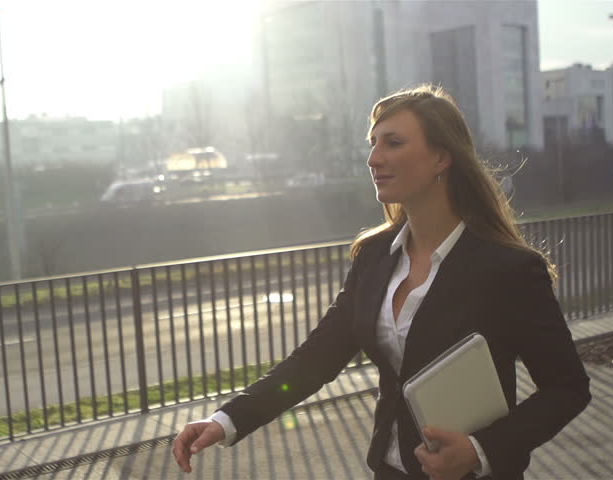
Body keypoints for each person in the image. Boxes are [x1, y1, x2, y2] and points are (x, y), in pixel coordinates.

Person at [173, 84, 591, 480]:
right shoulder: (374, 256)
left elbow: (567, 388)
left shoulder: (509, 269)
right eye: (372, 143)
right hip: (389, 470)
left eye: (393, 142)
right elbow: (316, 358)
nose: (374, 158)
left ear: (441, 158)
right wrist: (225, 420)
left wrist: (480, 449)